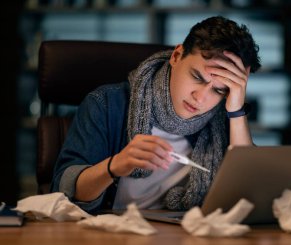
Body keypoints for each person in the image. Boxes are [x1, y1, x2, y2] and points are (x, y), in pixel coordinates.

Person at [51, 15, 261, 213]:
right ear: (177, 56)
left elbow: (250, 197)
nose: (200, 97)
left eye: (219, 90)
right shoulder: (106, 103)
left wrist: (236, 111)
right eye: (197, 76)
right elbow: (64, 192)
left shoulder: (224, 121)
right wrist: (115, 165)